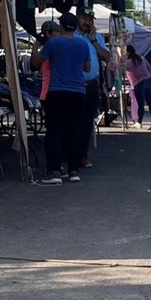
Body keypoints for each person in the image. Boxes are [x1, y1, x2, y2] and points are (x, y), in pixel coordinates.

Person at [31, 12, 90, 184]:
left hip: (57, 92)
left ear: (62, 26)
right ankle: (73, 170)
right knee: (74, 131)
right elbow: (87, 68)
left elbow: (36, 63)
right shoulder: (83, 44)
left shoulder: (53, 44)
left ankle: (54, 171)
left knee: (55, 132)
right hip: (78, 92)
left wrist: (36, 46)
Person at [78, 10, 110, 169]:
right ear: (77, 18)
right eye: (84, 18)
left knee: (86, 123)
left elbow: (107, 57)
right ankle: (67, 157)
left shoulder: (96, 37)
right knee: (73, 122)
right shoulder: (71, 36)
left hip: (91, 84)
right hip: (75, 85)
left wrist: (94, 42)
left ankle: (82, 156)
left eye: (90, 19)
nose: (87, 22)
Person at [125, 44, 151, 129]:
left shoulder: (127, 63)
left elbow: (120, 70)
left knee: (141, 104)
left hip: (138, 83)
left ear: (128, 52)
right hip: (148, 80)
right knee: (150, 102)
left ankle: (139, 122)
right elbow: (150, 68)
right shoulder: (141, 58)